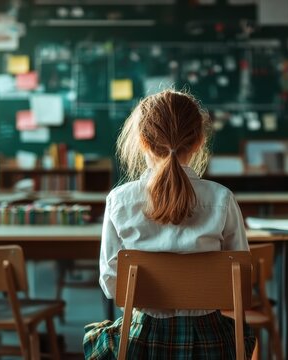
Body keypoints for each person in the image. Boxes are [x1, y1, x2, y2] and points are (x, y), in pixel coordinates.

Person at [83, 90, 256, 359]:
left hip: (142, 341)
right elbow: (240, 280)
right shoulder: (222, 199)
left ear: (142, 141)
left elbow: (111, 284)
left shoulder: (119, 200)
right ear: (199, 141)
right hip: (211, 342)